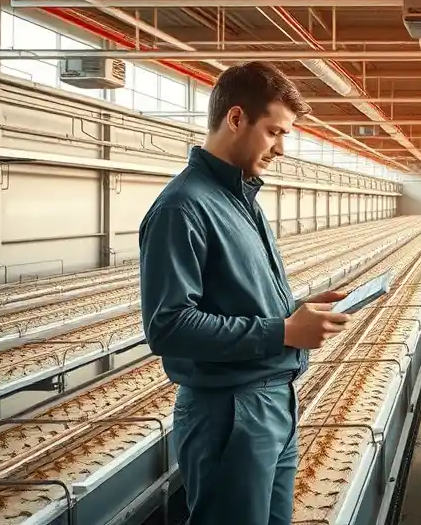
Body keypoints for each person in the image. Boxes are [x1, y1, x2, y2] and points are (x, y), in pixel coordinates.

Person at [137, 61, 351, 525]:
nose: (281, 148)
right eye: (275, 131)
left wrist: (298, 313)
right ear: (236, 119)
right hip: (229, 413)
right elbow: (168, 326)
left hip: (273, 403)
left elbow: (240, 302)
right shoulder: (183, 207)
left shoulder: (242, 201)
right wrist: (283, 331)